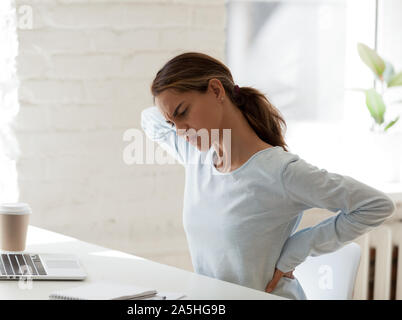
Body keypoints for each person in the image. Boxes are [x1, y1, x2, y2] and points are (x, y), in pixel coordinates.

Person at [140, 52, 396, 300]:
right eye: (172, 123)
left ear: (217, 91)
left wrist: (295, 251)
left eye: (183, 112)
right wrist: (174, 113)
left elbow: (375, 205)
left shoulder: (280, 172)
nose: (180, 131)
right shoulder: (196, 155)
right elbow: (149, 118)